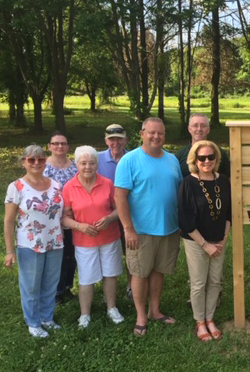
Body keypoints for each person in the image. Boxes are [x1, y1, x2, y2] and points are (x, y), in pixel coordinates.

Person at [115, 117, 183, 336]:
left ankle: (155, 310)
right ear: (142, 134)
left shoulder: (172, 160)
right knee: (139, 273)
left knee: (158, 271)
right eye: (151, 132)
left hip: (169, 228)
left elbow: (179, 191)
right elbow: (120, 197)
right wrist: (128, 229)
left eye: (160, 133)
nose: (156, 136)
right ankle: (141, 316)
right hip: (141, 230)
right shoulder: (130, 160)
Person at [4, 145, 64, 338]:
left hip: (55, 241)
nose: (36, 163)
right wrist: (9, 251)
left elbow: (63, 213)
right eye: (31, 160)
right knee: (31, 286)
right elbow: (9, 220)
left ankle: (47, 318)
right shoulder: (17, 187)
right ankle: (33, 322)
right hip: (30, 244)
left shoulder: (56, 185)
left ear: (45, 161)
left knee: (51, 283)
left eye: (40, 159)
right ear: (24, 162)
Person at [62, 146, 125, 329]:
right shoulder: (69, 187)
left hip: (110, 237)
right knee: (86, 278)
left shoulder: (107, 183)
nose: (87, 167)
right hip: (84, 241)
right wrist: (80, 226)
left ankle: (111, 308)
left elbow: (118, 208)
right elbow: (65, 217)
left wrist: (109, 218)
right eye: (83, 163)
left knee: (110, 273)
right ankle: (85, 314)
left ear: (97, 164)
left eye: (91, 163)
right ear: (76, 164)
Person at [178, 140, 232, 341]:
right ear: (194, 160)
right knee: (199, 283)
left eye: (211, 157)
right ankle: (199, 321)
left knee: (215, 281)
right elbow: (185, 220)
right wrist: (205, 245)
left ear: (217, 159)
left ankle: (210, 318)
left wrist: (223, 239)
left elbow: (229, 213)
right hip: (196, 241)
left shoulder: (223, 181)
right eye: (202, 158)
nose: (207, 161)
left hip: (219, 240)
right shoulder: (188, 183)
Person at [97, 124, 133, 301]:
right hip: (105, 215)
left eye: (119, 138)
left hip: (129, 213)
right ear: (106, 141)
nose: (115, 142)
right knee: (108, 253)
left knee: (130, 251)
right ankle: (108, 290)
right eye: (112, 139)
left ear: (126, 140)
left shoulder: (133, 158)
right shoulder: (96, 159)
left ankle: (131, 287)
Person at [43, 131, 78, 304]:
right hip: (50, 219)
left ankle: (67, 286)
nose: (59, 146)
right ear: (49, 146)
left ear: (68, 147)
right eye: (55, 143)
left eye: (63, 143)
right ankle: (54, 290)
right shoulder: (43, 167)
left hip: (73, 218)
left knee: (71, 255)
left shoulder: (75, 167)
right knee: (56, 255)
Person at [176, 113, 230, 178]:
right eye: (195, 126)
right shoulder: (179, 156)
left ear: (208, 129)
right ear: (189, 129)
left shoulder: (220, 154)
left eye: (203, 126)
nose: (199, 129)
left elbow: (229, 179)